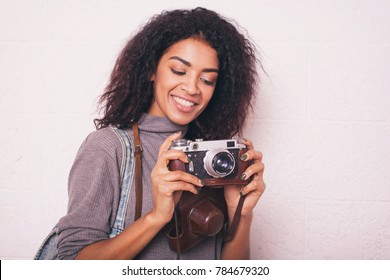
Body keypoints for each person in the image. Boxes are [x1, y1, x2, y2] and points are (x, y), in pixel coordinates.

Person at [57, 7, 266, 260]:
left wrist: (241, 215)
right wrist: (157, 217)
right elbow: (72, 264)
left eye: (207, 80)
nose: (192, 88)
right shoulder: (107, 148)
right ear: (151, 70)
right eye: (179, 71)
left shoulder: (216, 159)